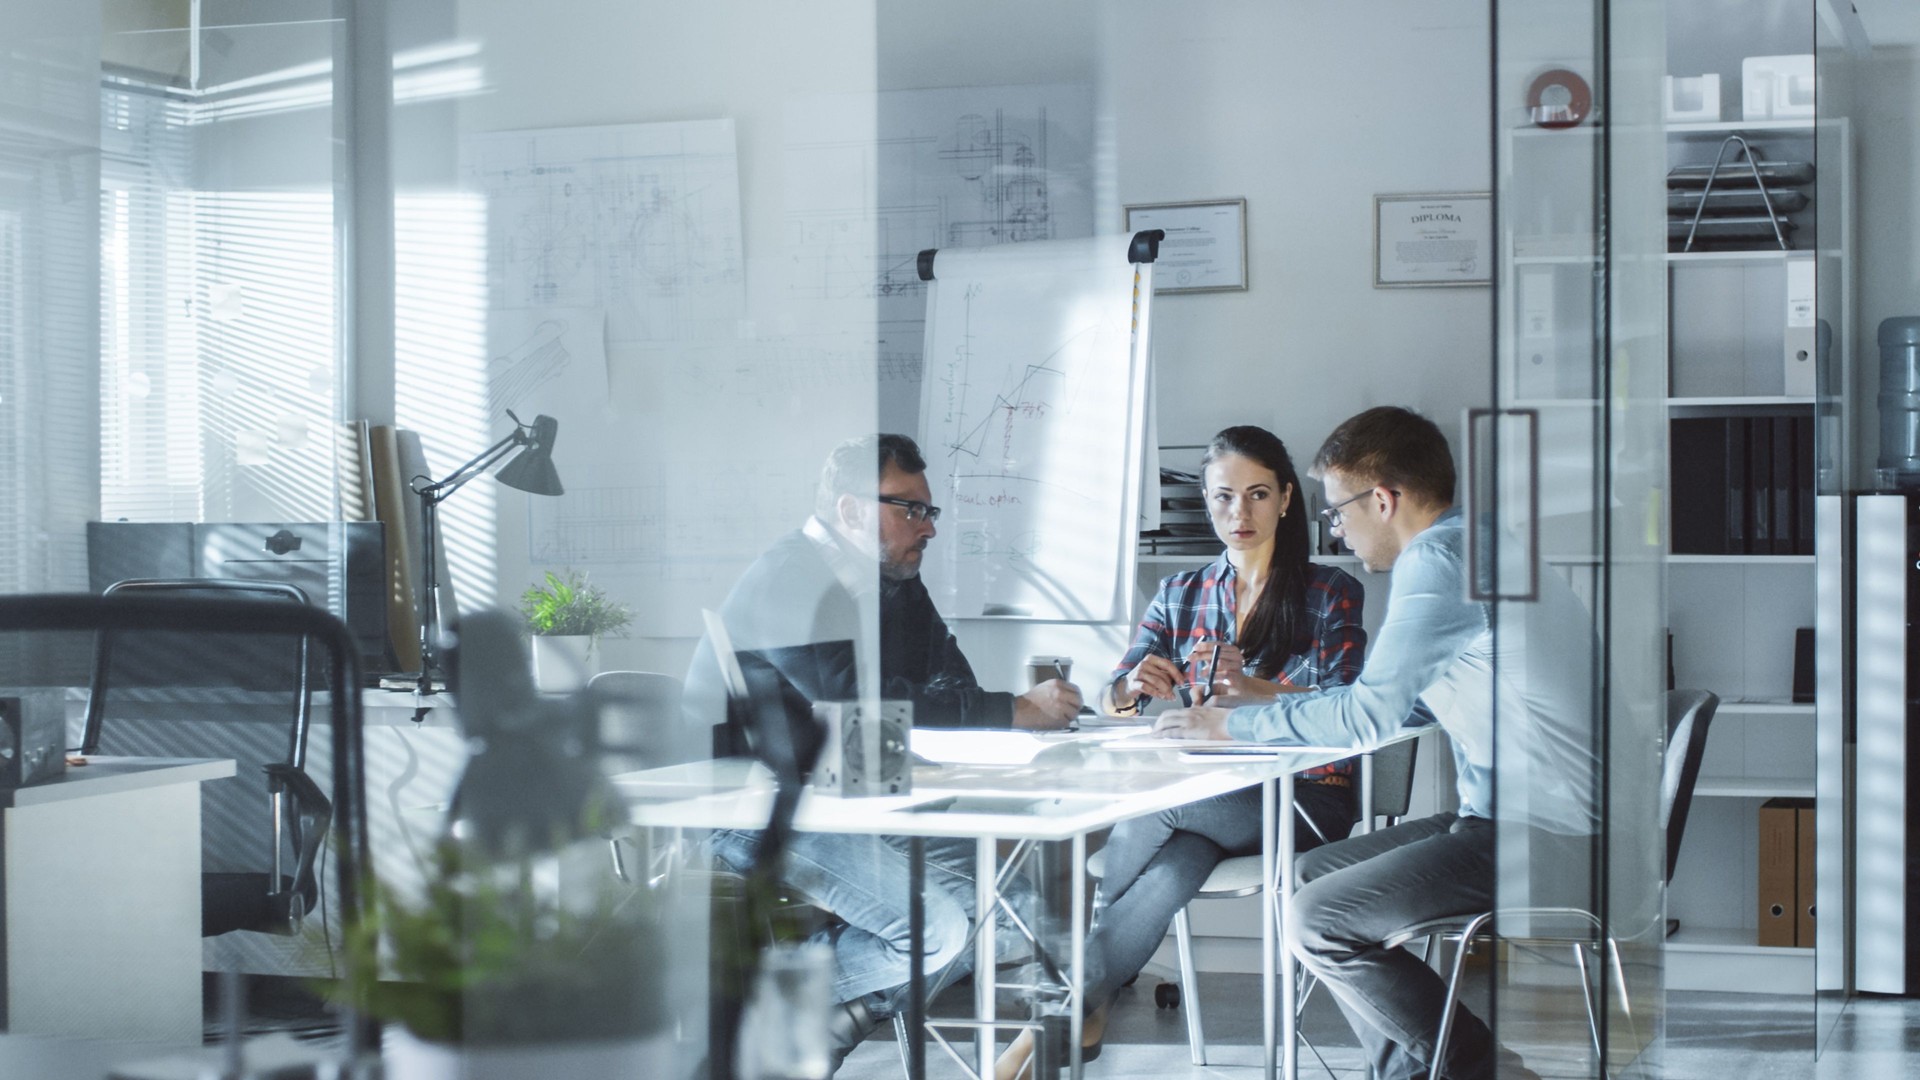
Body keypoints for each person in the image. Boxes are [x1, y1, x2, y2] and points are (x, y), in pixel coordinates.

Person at [1153, 406, 1600, 1080]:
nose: (1335, 529)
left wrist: (1228, 725)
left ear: (1383, 500)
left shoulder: (1440, 562)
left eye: (1337, 512)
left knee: (1317, 919)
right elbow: (1411, 704)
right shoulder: (1475, 545)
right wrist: (1267, 695)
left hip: (1548, 833)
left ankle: (1481, 1071)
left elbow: (1370, 719)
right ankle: (1421, 1072)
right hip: (1513, 816)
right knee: (1305, 877)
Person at [685, 433, 1084, 1072]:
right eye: (911, 510)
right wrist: (1013, 709)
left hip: (855, 788)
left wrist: (995, 710)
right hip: (752, 802)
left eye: (930, 512)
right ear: (849, 511)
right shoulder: (787, 577)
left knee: (1003, 916)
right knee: (941, 931)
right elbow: (856, 702)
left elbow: (949, 680)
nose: (927, 528)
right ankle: (768, 1010)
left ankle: (837, 1022)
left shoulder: (893, 575)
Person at [994, 425, 1367, 1080]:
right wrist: (1134, 688)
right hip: (1206, 806)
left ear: (1285, 499)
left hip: (1309, 797)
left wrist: (1250, 691)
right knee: (1174, 866)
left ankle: (1063, 998)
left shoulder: (1330, 591)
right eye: (1223, 497)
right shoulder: (1182, 592)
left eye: (1256, 495)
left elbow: (1343, 708)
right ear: (1205, 501)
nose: (1239, 514)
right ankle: (1077, 1009)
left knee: (1160, 811)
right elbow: (1110, 701)